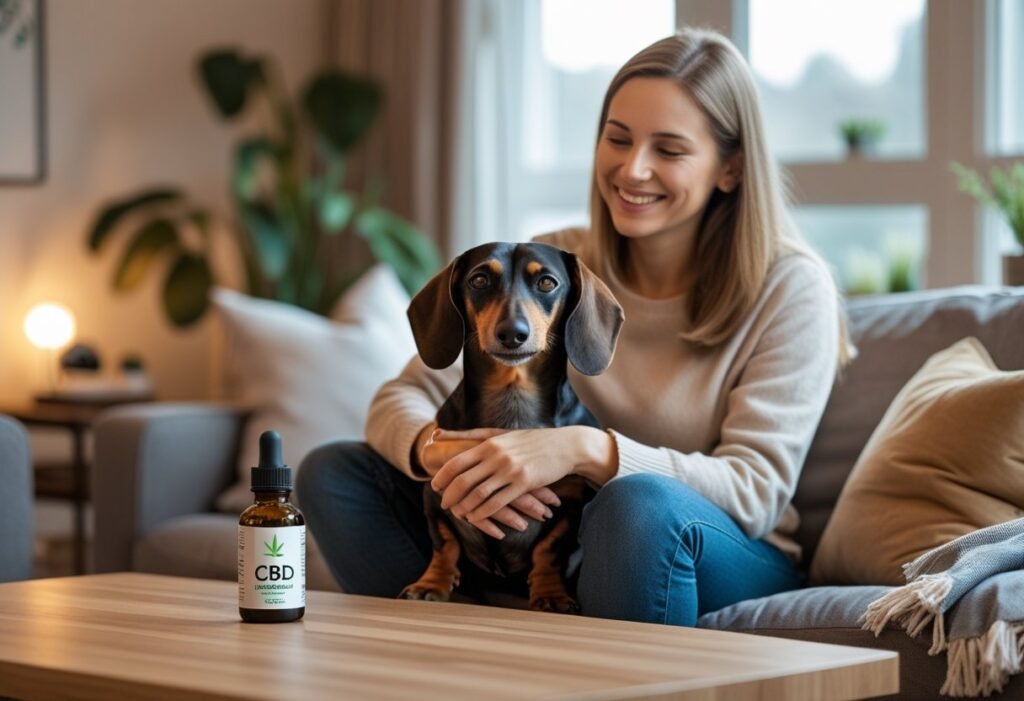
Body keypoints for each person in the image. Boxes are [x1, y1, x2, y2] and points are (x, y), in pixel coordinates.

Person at [296, 27, 852, 627]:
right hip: (563, 539)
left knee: (634, 505)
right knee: (334, 472)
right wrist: (447, 456)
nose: (633, 169)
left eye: (669, 150)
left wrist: (583, 449)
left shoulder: (791, 287)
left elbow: (755, 490)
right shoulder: (551, 265)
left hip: (712, 545)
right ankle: (449, 645)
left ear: (731, 168)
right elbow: (399, 399)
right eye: (618, 138)